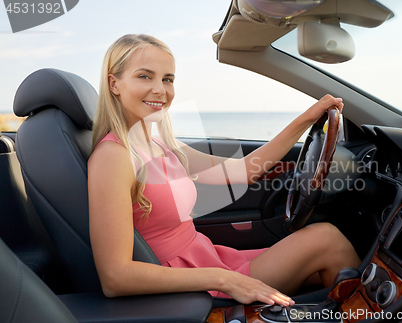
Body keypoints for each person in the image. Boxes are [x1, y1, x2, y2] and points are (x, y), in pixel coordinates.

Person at [88, 34, 360, 307]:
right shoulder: (113, 157)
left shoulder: (157, 144)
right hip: (191, 287)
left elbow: (243, 170)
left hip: (210, 262)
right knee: (326, 240)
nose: (160, 89)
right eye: (145, 76)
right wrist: (223, 280)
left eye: (167, 79)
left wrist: (308, 118)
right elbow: (115, 277)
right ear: (114, 84)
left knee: (323, 261)